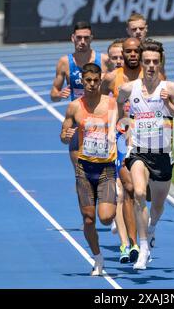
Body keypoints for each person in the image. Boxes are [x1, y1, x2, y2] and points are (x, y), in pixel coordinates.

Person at [117, 40, 174, 270]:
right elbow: (119, 105)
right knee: (139, 192)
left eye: (155, 62)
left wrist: (169, 106)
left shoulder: (169, 88)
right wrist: (125, 126)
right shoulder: (130, 88)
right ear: (140, 62)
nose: (150, 66)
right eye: (147, 61)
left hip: (163, 155)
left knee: (157, 206)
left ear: (161, 63)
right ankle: (142, 248)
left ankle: (151, 229)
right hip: (139, 152)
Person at [60, 63, 118, 276]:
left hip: (106, 169)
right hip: (84, 168)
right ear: (82, 82)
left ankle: (116, 200)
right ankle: (98, 258)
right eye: (88, 81)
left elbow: (123, 126)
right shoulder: (75, 106)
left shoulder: (111, 104)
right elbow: (64, 133)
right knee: (88, 219)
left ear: (100, 81)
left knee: (105, 217)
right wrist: (65, 137)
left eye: (96, 81)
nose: (92, 84)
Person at [102, 37, 144, 264]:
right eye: (126, 52)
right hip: (121, 138)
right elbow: (97, 101)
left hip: (149, 138)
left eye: (135, 51)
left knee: (143, 193)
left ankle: (147, 231)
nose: (130, 55)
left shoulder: (151, 76)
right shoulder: (111, 79)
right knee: (125, 190)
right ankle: (129, 244)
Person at [51, 21, 109, 170]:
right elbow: (53, 94)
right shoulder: (65, 62)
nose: (82, 41)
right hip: (78, 119)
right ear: (73, 38)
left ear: (91, 38)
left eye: (86, 38)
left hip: (101, 118)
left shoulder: (103, 60)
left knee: (105, 171)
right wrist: (60, 94)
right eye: (79, 38)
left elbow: (116, 84)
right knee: (81, 173)